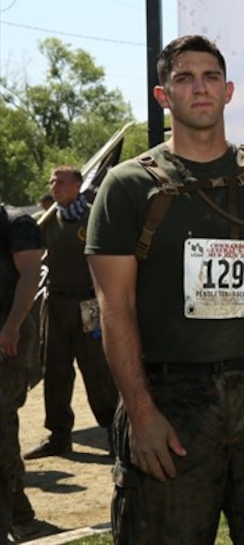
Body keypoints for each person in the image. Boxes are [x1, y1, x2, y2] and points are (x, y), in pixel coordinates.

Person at [85, 34, 244, 544]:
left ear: (229, 90)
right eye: (184, 78)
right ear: (162, 95)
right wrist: (143, 415)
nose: (200, 88)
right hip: (171, 401)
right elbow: (116, 308)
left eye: (210, 77)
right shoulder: (127, 187)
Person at [25, 166, 118, 461]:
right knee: (55, 370)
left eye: (60, 181)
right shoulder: (48, 219)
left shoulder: (93, 216)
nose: (54, 185)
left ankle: (115, 435)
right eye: (51, 180)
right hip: (56, 303)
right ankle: (59, 436)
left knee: (97, 370)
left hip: (87, 303)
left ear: (77, 185)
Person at [0, 204, 44, 541]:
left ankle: (11, 515)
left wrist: (12, 325)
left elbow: (30, 276)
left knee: (2, 423)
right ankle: (18, 507)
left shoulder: (18, 223)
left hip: (7, 337)